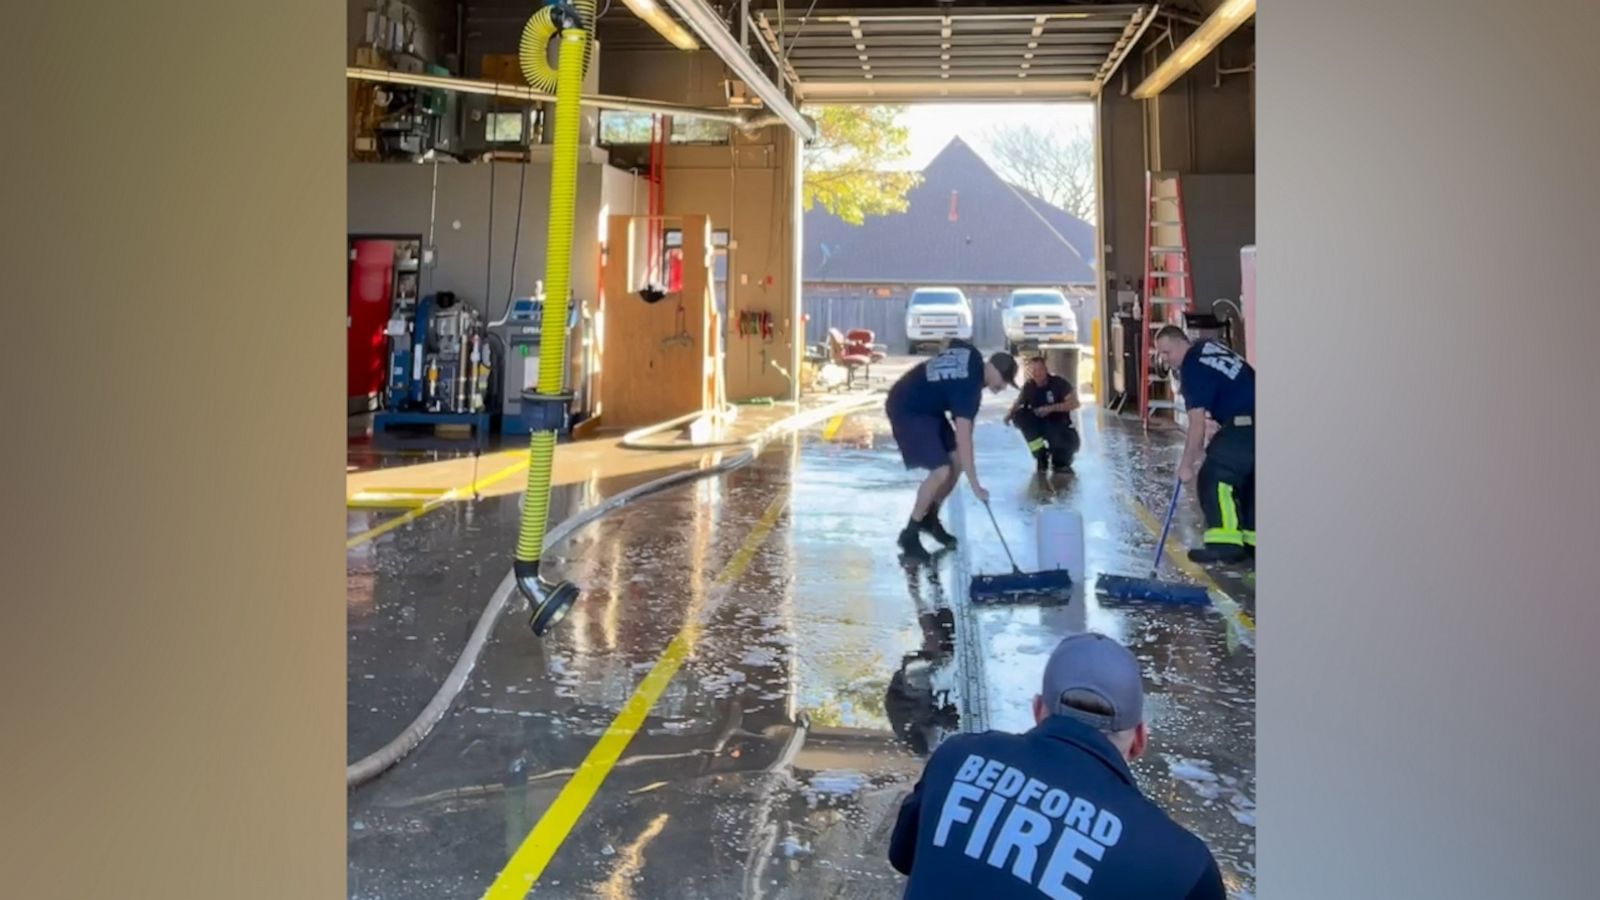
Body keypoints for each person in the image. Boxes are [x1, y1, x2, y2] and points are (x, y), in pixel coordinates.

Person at [888, 632, 1227, 900]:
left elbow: (904, 855)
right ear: (1139, 740)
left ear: (1038, 710)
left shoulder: (958, 758)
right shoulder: (1184, 866)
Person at [885, 340, 1017, 563]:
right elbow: (964, 438)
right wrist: (976, 486)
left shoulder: (972, 353)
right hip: (907, 407)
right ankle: (910, 534)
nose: (1003, 387)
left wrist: (940, 371)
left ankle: (931, 517)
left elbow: (948, 342)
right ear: (993, 369)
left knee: (956, 460)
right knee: (942, 471)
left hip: (929, 406)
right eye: (1003, 381)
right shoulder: (969, 391)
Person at [1153, 325, 1255, 564]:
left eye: (1167, 352)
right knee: (1249, 478)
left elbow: (1196, 424)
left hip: (1245, 423)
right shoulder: (1207, 348)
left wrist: (1187, 463)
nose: (1166, 360)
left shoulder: (1192, 367)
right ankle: (1253, 542)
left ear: (1180, 343)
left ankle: (1225, 544)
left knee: (1215, 475)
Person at [1004, 356, 1081, 473]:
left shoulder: (1059, 383)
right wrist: (1009, 415)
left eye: (1039, 369)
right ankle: (1040, 455)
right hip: (1040, 426)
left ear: (1046, 370)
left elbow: (1075, 403)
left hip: (1060, 427)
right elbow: (1018, 402)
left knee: (1060, 465)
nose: (1037, 374)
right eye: (1033, 371)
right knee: (1020, 416)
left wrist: (1051, 408)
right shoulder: (1029, 387)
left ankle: (1061, 458)